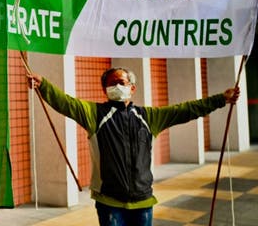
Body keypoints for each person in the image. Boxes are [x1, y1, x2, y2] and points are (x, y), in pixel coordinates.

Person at [27, 67, 240, 226]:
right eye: (111, 84)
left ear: (132, 87)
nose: (117, 87)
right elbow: (66, 103)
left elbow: (185, 110)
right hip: (110, 202)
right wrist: (43, 84)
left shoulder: (149, 117)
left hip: (143, 202)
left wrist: (221, 99)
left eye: (121, 82)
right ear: (104, 89)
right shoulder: (94, 114)